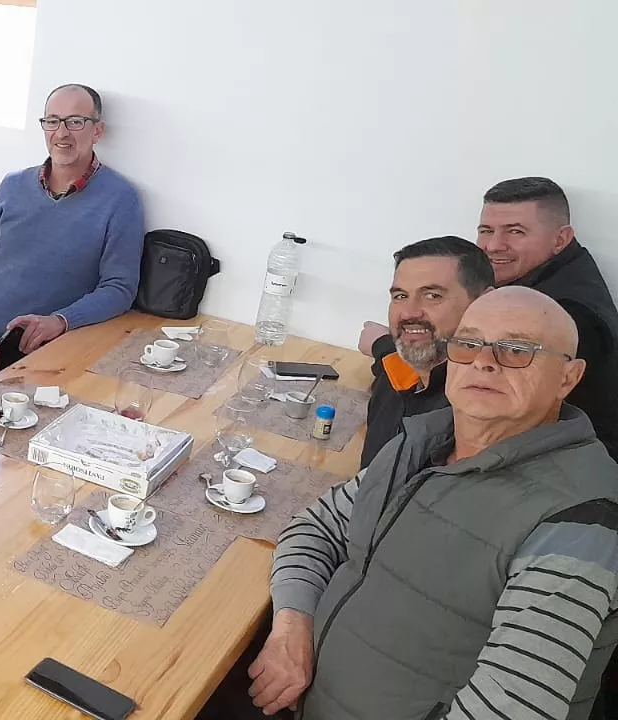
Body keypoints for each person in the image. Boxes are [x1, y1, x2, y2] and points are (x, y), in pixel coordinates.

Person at [249, 286, 618, 719]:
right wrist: (293, 624)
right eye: (469, 343)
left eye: (516, 350)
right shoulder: (425, 442)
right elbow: (316, 526)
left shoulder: (579, 521)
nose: (483, 361)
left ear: (567, 378)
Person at [0, 84, 146, 353]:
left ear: (97, 131)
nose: (61, 133)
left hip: (39, 349)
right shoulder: (13, 184)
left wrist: (61, 321)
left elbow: (119, 288)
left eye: (75, 122)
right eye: (52, 121)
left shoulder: (121, 199)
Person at [476, 177, 618, 461]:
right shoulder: (552, 275)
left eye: (515, 232)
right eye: (486, 230)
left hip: (572, 469)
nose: (493, 245)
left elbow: (493, 404)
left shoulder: (565, 312)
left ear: (560, 239)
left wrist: (385, 351)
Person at [357, 236, 494, 468]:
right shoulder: (397, 372)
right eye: (400, 296)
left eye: (433, 296)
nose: (410, 313)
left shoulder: (482, 409)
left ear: (484, 302)